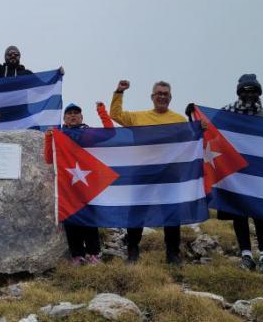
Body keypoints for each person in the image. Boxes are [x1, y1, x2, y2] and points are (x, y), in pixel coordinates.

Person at [108, 79, 187, 265]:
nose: (162, 96)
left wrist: (200, 125)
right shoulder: (139, 118)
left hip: (170, 174)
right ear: (152, 97)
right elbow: (115, 114)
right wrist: (119, 91)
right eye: (159, 93)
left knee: (172, 213)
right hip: (143, 172)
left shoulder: (180, 120)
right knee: (137, 211)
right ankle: (133, 251)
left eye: (165, 94)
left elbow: (192, 140)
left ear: (170, 98)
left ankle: (173, 254)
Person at [218, 74, 263, 273]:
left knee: (261, 215)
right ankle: (246, 256)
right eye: (245, 90)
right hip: (236, 173)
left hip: (261, 172)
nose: (249, 94)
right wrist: (195, 114)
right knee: (239, 215)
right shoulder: (227, 113)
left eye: (252, 90)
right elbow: (208, 127)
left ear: (258, 93)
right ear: (239, 92)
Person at [44, 103, 102, 266]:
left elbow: (110, 134)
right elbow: (49, 159)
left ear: (82, 117)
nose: (73, 115)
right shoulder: (59, 135)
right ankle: (77, 255)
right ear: (64, 119)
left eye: (76, 113)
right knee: (70, 219)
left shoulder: (89, 134)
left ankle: (93, 254)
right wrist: (49, 137)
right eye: (69, 113)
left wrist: (102, 112)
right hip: (67, 185)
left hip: (88, 183)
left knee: (89, 219)